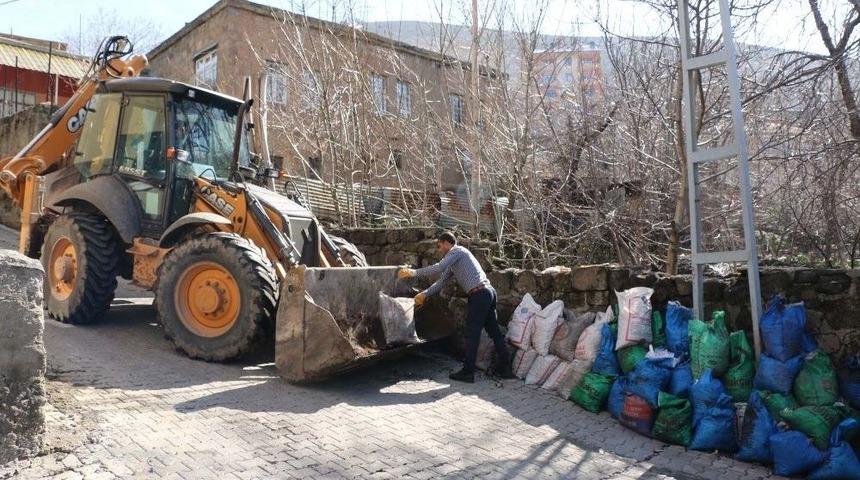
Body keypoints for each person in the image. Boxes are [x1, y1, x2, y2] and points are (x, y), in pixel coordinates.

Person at [398, 231, 514, 383]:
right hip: (487, 293)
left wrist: (413, 272)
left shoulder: (457, 251)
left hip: (479, 294)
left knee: (472, 334)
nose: (439, 250)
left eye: (440, 246)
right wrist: (424, 294)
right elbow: (441, 282)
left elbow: (439, 267)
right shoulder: (455, 261)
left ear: (447, 243)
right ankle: (506, 369)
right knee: (494, 332)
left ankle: (468, 372)